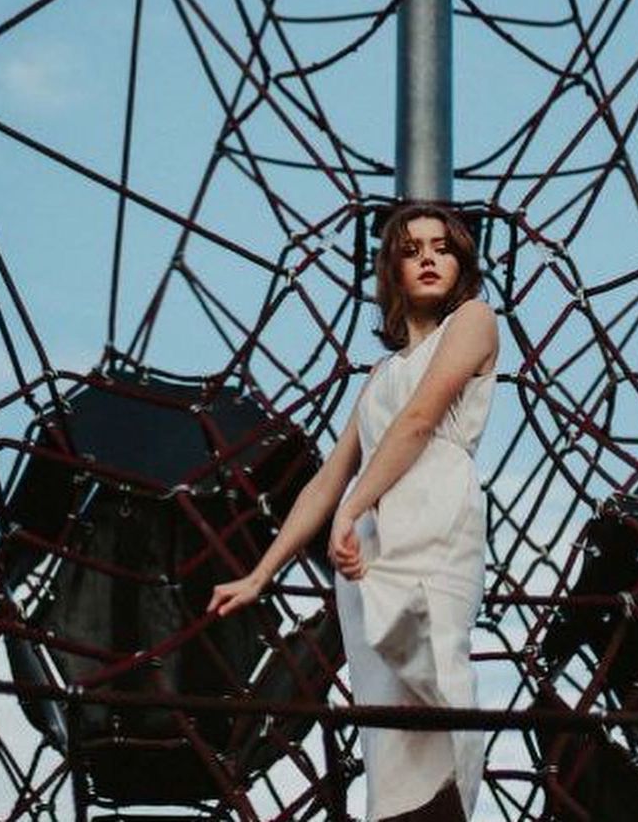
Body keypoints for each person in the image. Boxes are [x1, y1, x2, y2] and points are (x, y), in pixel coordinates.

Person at [208, 203, 499, 821]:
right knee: (387, 721)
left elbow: (419, 420)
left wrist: (353, 507)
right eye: (410, 250)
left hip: (433, 514)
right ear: (392, 272)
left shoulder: (474, 320)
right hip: (368, 546)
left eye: (442, 248)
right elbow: (324, 484)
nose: (427, 258)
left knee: (436, 671)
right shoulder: (380, 374)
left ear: (462, 265)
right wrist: (260, 575)